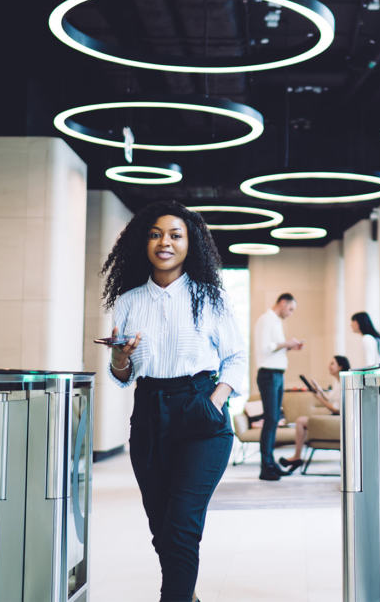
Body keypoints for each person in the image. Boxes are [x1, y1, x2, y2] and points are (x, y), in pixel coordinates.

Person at [100, 201, 247, 602]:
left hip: (201, 412)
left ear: (190, 243)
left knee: (182, 524)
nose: (164, 242)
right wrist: (119, 357)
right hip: (148, 412)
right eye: (155, 234)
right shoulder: (128, 301)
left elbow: (236, 358)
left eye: (175, 235)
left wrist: (213, 403)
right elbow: (121, 376)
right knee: (162, 526)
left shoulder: (210, 297)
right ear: (143, 242)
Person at [253, 293, 304, 480]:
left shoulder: (275, 321)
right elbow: (264, 347)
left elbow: (274, 348)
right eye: (290, 309)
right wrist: (286, 343)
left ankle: (271, 463)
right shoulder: (266, 319)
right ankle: (265, 466)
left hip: (277, 374)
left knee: (274, 420)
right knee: (271, 419)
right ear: (283, 303)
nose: (290, 313)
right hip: (269, 374)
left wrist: (289, 346)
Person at [279, 355, 350, 472]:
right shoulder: (338, 383)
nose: (329, 366)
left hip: (337, 420)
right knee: (301, 421)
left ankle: (297, 456)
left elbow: (336, 410)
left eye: (332, 364)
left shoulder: (343, 383)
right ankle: (296, 457)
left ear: (340, 366)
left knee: (300, 421)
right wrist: (320, 391)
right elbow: (330, 400)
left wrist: (319, 398)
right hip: (336, 419)